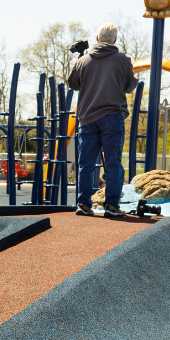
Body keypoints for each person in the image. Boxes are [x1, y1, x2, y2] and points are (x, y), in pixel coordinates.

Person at [67, 21, 139, 218]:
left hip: (87, 118)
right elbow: (130, 86)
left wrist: (80, 59)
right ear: (114, 39)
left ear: (97, 38)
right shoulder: (123, 60)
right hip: (112, 116)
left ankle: (83, 203)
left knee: (86, 164)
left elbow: (73, 83)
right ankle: (111, 205)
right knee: (113, 163)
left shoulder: (84, 61)